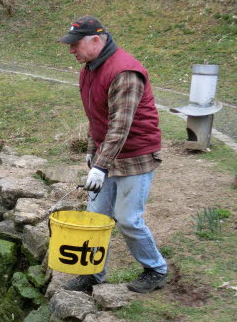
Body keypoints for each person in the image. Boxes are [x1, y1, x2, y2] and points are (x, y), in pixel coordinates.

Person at [58, 15, 167, 293]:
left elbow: (120, 126)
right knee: (96, 218)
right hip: (107, 156)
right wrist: (91, 153)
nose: (71, 50)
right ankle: (93, 274)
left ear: (96, 40)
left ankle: (155, 268)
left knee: (128, 219)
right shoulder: (89, 69)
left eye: (75, 44)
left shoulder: (124, 72)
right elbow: (97, 118)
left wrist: (100, 166)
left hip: (136, 156)